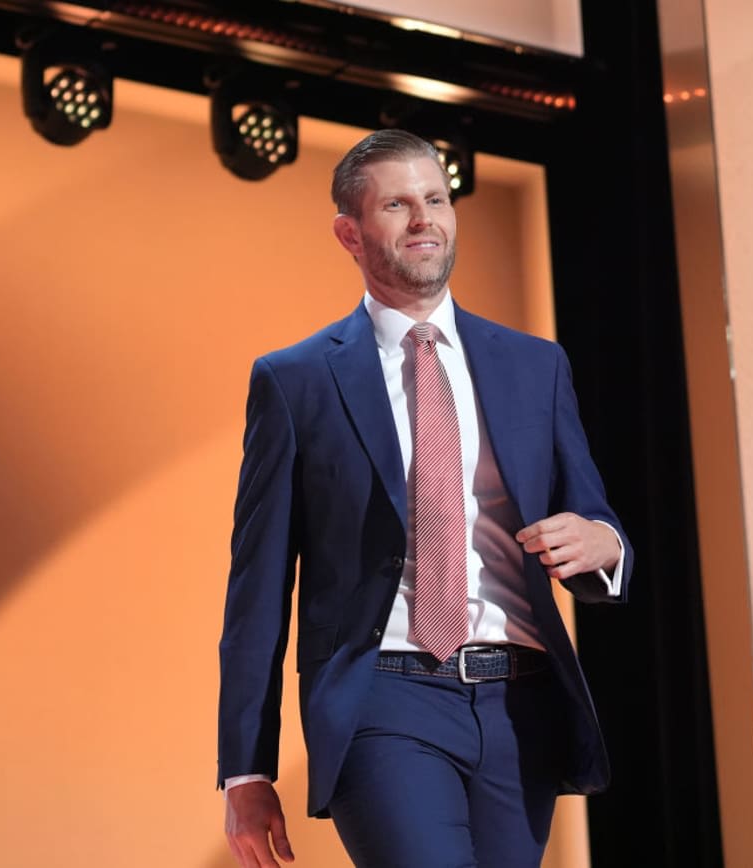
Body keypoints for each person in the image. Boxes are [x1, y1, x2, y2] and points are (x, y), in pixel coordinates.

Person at [217, 129, 632, 868]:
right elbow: (257, 590)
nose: (425, 220)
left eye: (437, 199)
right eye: (398, 205)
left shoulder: (535, 365)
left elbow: (593, 515)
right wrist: (246, 768)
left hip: (520, 700)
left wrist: (608, 545)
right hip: (384, 696)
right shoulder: (297, 380)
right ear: (350, 232)